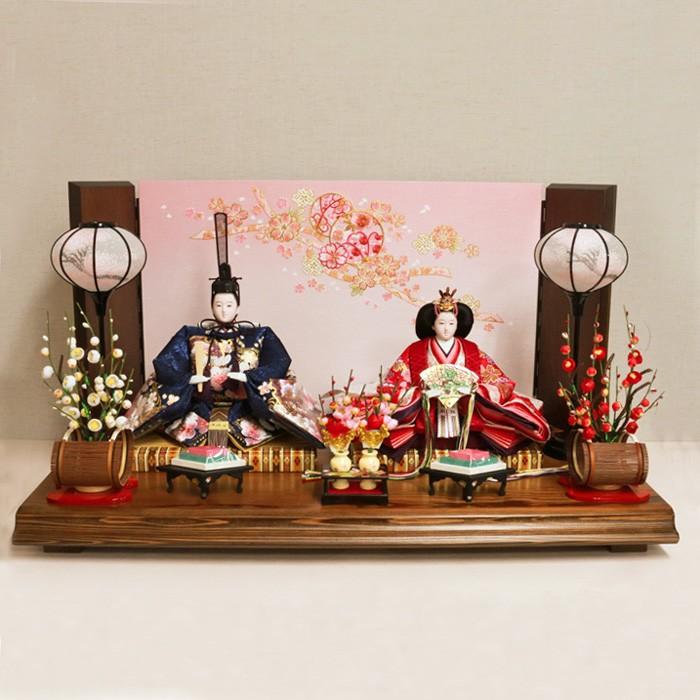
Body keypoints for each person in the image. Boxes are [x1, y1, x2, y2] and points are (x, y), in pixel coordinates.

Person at [127, 212, 292, 448]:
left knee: (269, 406)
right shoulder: (192, 334)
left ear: (238, 306)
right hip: (199, 408)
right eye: (218, 305)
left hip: (245, 409)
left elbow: (280, 362)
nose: (224, 310)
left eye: (229, 305)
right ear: (211, 305)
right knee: (179, 416)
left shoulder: (259, 334)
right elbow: (164, 363)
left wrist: (250, 378)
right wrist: (187, 379)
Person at [383, 288, 550, 458]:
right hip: (428, 408)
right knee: (383, 413)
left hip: (464, 408)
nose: (446, 329)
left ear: (458, 325)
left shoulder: (471, 350)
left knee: (508, 416)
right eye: (441, 323)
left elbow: (498, 381)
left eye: (451, 324)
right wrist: (422, 391)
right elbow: (394, 382)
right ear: (432, 325)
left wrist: (473, 389)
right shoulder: (416, 350)